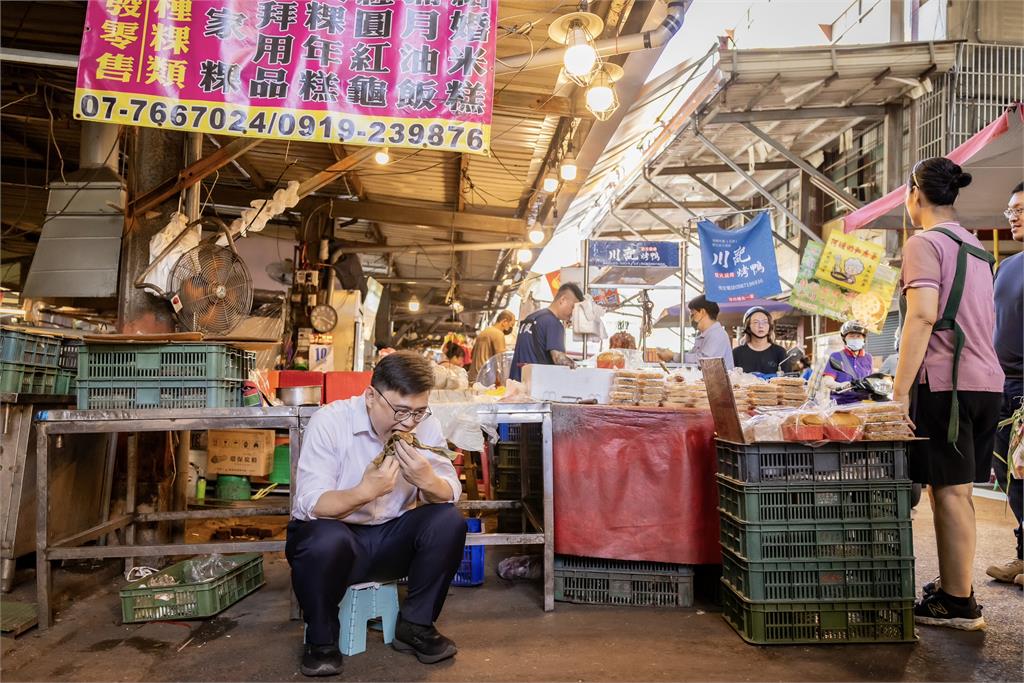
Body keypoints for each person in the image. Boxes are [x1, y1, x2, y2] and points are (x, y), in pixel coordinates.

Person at [287, 351, 466, 676]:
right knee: (323, 539)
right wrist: (365, 492)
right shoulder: (331, 421)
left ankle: (416, 626)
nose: (409, 422)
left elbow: (450, 488)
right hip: (340, 546)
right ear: (371, 396)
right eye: (400, 411)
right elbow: (309, 503)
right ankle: (321, 640)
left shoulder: (425, 425)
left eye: (418, 412)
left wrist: (428, 481)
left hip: (392, 542)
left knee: (448, 521)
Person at [894, 157, 1003, 630]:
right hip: (986, 383)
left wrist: (899, 392)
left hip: (947, 385)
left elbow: (922, 316)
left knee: (951, 493)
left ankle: (958, 602)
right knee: (955, 492)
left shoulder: (923, 243)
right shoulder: (976, 247)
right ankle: (954, 587)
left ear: (915, 194)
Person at [987, 181, 1024, 586]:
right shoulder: (1007, 266)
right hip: (1003, 386)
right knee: (1011, 474)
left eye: (1020, 210)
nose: (1013, 217)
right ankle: (1023, 555)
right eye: (1010, 210)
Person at [509, 283, 583, 382]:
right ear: (562, 300)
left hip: (516, 382)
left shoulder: (530, 318)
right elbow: (558, 359)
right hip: (536, 385)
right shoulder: (554, 323)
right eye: (573, 307)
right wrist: (576, 368)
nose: (574, 313)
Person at [822, 320, 874, 403]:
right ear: (844, 339)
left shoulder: (868, 357)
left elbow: (871, 380)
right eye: (851, 336)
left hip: (864, 403)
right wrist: (841, 386)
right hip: (841, 404)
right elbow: (827, 381)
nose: (855, 339)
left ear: (864, 339)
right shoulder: (836, 356)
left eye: (858, 336)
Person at [732, 306, 788, 376]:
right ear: (748, 326)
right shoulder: (737, 353)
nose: (761, 326)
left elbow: (788, 379)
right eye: (756, 322)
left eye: (765, 322)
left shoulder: (780, 352)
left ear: (770, 326)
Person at [687, 295, 734, 370]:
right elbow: (692, 357)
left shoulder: (717, 334)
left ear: (702, 312)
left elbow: (704, 361)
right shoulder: (704, 335)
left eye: (693, 314)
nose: (691, 319)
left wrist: (675, 356)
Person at [467, 310, 515, 383]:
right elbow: (501, 359)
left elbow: (472, 354)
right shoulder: (498, 334)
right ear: (504, 322)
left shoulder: (483, 332)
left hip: (473, 376)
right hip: (485, 378)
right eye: (511, 325)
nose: (511, 328)